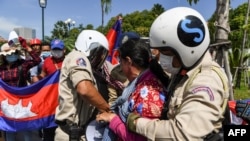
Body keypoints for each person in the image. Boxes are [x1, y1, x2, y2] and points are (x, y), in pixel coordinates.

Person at [122, 7, 230, 141]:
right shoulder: (183, 72)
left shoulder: (206, 80)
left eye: (166, 52)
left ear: (186, 49)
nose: (161, 58)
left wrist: (137, 123)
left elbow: (182, 133)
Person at [96, 37, 169, 141]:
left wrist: (113, 119)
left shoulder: (148, 92)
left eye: (121, 62)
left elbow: (139, 139)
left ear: (129, 62)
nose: (120, 67)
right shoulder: (142, 82)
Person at [54, 29, 111, 141]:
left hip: (79, 132)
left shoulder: (85, 64)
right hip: (69, 134)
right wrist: (107, 110)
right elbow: (84, 88)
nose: (99, 58)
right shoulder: (78, 57)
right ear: (87, 45)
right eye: (98, 52)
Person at [0, 36, 41, 141]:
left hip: (21, 100)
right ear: (4, 56)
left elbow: (37, 60)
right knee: (9, 129)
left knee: (24, 127)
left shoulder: (22, 65)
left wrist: (27, 47)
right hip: (6, 102)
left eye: (13, 53)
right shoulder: (1, 69)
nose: (11, 56)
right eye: (8, 54)